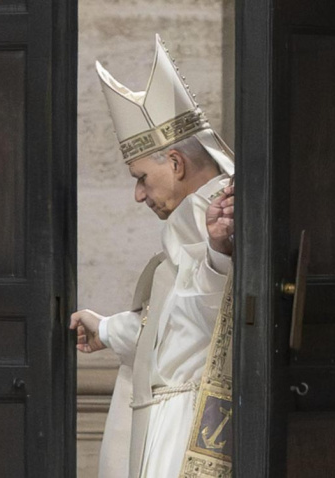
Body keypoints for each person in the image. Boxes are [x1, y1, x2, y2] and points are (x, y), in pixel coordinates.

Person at [70, 35, 235, 478]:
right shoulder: (191, 218)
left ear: (177, 164)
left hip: (193, 426)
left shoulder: (223, 214)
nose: (138, 194)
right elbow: (169, 325)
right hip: (167, 418)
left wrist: (220, 252)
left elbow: (211, 323)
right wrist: (106, 328)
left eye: (142, 177)